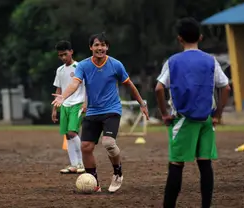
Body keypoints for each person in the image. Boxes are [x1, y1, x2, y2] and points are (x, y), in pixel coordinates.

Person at [51, 32, 149, 193]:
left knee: (109, 143)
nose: (100, 48)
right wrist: (63, 96)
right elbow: (75, 84)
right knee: (86, 146)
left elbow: (129, 85)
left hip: (111, 110)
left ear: (107, 47)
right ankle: (94, 182)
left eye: (103, 45)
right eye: (96, 45)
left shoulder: (116, 64)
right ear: (91, 47)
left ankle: (117, 173)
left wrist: (142, 103)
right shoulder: (83, 66)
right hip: (92, 111)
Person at [154, 17, 231, 208]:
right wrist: (217, 115)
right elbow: (226, 87)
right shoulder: (211, 61)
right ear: (201, 37)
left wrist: (164, 114)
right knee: (205, 165)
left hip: (183, 121)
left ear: (179, 39)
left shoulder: (173, 61)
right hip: (205, 119)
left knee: (176, 165)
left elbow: (158, 88)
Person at [52, 40, 85, 174]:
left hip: (77, 104)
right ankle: (74, 164)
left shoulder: (79, 67)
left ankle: (82, 163)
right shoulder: (59, 70)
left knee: (73, 132)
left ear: (71, 52)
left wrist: (86, 103)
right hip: (64, 105)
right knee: (67, 135)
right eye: (60, 55)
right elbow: (58, 89)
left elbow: (87, 86)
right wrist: (54, 108)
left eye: (65, 54)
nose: (63, 58)